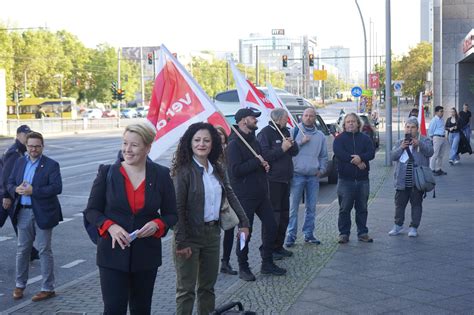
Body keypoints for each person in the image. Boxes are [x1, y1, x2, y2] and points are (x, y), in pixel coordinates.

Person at [84, 123, 178, 314]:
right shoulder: (107, 172)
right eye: (125, 143)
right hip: (112, 255)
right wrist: (110, 226)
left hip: (146, 256)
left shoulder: (161, 174)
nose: (127, 149)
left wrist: (157, 223)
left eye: (134, 145)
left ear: (147, 148)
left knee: (141, 309)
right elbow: (92, 211)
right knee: (113, 309)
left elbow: (171, 214)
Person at [172, 122, 249, 315]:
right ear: (189, 143)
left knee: (207, 288)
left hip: (212, 235)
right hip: (188, 236)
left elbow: (230, 195)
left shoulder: (217, 168)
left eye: (206, 140)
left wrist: (244, 222)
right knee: (186, 291)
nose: (201, 144)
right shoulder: (183, 171)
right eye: (197, 140)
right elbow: (177, 209)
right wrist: (182, 241)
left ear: (213, 143)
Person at [227, 108, 286, 281]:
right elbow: (235, 171)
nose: (256, 120)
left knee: (271, 225)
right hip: (244, 196)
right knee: (245, 233)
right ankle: (243, 266)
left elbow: (259, 161)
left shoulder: (253, 140)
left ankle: (266, 262)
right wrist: (256, 162)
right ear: (243, 121)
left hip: (261, 193)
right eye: (253, 118)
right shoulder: (234, 144)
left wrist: (264, 165)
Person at [7, 132, 63, 302]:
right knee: (22, 250)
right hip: (23, 211)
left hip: (43, 212)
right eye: (30, 145)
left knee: (44, 249)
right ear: (26, 146)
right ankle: (19, 285)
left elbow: (56, 188)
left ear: (42, 146)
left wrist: (34, 191)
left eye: (37, 146)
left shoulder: (51, 165)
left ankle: (47, 288)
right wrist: (15, 189)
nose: (33, 149)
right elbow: (9, 182)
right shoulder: (19, 162)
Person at [257, 108, 299, 260]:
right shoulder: (265, 133)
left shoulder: (286, 131)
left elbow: (295, 152)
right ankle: (268, 249)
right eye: (285, 118)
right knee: (273, 216)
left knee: (284, 215)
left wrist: (292, 145)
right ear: (279, 118)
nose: (287, 120)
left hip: (286, 179)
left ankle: (279, 246)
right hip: (272, 180)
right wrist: (282, 148)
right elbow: (265, 156)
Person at [285, 108, 328, 247]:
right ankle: (291, 235)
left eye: (311, 116)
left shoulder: (320, 136)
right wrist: (301, 142)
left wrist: (321, 170)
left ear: (315, 118)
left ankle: (308, 234)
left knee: (311, 208)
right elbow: (287, 151)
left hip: (313, 177)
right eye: (306, 115)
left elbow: (323, 155)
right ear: (302, 117)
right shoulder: (294, 132)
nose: (308, 118)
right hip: (297, 175)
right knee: (293, 208)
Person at [333, 113, 375, 244]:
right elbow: (339, 154)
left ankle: (363, 233)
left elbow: (371, 153)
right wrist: (356, 161)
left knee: (362, 208)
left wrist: (361, 158)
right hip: (345, 180)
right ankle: (344, 234)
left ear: (358, 123)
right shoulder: (339, 139)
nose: (350, 123)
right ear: (344, 125)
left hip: (362, 180)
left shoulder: (365, 138)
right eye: (348, 122)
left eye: (353, 121)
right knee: (344, 208)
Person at [389, 118, 434, 237]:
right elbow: (392, 156)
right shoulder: (400, 141)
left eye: (412, 127)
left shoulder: (425, 140)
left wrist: (420, 144)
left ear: (417, 128)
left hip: (417, 181)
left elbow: (430, 152)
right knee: (399, 205)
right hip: (402, 180)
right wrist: (401, 148)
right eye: (407, 127)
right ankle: (398, 225)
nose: (409, 129)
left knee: (416, 205)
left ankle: (414, 227)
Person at [0, 125, 39, 261]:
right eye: (24, 134)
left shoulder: (21, 151)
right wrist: (6, 196)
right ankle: (30, 252)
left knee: (20, 223)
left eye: (29, 134)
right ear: (17, 136)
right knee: (20, 222)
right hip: (7, 195)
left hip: (12, 194)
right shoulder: (14, 152)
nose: (27, 136)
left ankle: (30, 252)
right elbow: (5, 176)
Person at [215, 126, 238, 275]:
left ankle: (225, 261)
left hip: (229, 196)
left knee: (230, 228)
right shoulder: (210, 153)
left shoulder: (229, 151)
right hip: (216, 197)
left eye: (221, 134)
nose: (220, 137)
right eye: (216, 134)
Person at [428, 106, 448, 176]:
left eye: (443, 111)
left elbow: (443, 128)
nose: (442, 113)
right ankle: (432, 169)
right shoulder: (434, 120)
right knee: (435, 154)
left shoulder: (442, 119)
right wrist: (433, 138)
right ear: (436, 112)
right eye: (441, 111)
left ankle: (438, 169)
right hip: (437, 137)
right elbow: (430, 130)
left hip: (443, 137)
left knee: (441, 155)